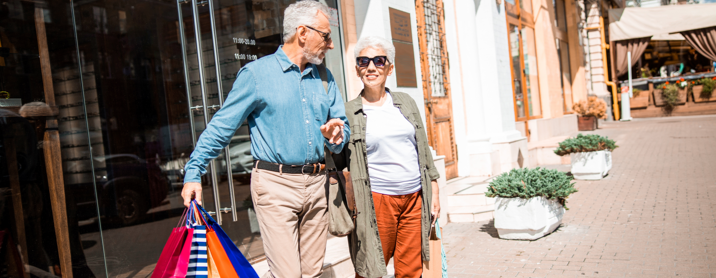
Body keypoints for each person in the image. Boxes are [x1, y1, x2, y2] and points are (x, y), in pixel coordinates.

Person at [180, 1, 350, 277]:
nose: (330, 44)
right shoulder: (257, 75)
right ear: (303, 32)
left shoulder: (324, 77)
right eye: (326, 36)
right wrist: (193, 171)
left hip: (318, 185)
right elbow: (221, 127)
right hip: (276, 186)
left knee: (311, 273)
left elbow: (342, 131)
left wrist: (336, 136)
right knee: (287, 274)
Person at [339, 36, 441, 278]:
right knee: (370, 268)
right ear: (357, 69)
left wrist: (434, 188)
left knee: (411, 270)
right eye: (364, 61)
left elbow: (422, 148)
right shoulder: (349, 111)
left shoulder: (405, 102)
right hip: (377, 201)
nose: (371, 67)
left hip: (415, 197)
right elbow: (340, 158)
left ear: (389, 68)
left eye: (378, 61)